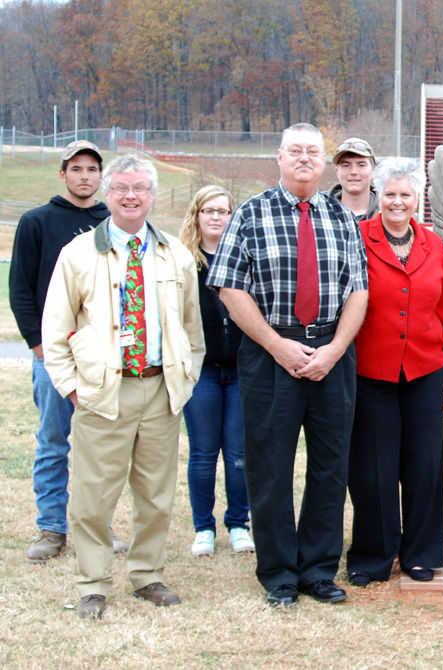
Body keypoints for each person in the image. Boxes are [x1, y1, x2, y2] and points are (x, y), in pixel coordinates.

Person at [207, 123, 369, 607]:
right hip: (269, 352)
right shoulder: (250, 214)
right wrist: (277, 345)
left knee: (330, 467)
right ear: (279, 157)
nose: (304, 158)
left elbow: (359, 291)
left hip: (330, 353)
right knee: (270, 466)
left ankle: (318, 570)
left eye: (312, 152)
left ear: (323, 163)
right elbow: (230, 288)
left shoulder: (342, 218)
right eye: (295, 150)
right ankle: (278, 573)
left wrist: (336, 349)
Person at [42, 154, 205, 619]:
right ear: (108, 194)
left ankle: (146, 573)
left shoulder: (175, 253)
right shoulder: (77, 255)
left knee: (155, 493)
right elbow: (56, 331)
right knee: (93, 494)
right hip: (103, 392)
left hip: (159, 391)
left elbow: (193, 331)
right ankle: (92, 581)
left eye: (140, 188)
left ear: (153, 195)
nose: (131, 195)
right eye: (121, 187)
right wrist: (74, 388)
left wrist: (185, 380)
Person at [344, 159, 443, 586]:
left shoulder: (434, 244)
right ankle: (372, 556)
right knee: (373, 468)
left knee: (424, 464)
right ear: (379, 196)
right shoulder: (357, 238)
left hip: (426, 368)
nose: (398, 202)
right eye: (390, 194)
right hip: (371, 369)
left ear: (417, 199)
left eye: (406, 195)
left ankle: (420, 553)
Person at [9, 140, 125, 562]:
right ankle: (51, 528)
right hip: (55, 356)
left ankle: (98, 526)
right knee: (54, 442)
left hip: (103, 357)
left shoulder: (111, 223)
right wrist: (41, 348)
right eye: (76, 169)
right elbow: (21, 289)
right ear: (63, 174)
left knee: (102, 446)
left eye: (92, 169)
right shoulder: (37, 221)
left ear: (101, 176)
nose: (84, 176)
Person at [178, 186, 254, 556]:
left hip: (241, 370)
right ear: (196, 216)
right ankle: (203, 528)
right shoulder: (182, 262)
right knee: (204, 453)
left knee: (239, 453)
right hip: (203, 372)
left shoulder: (244, 257)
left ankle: (239, 523)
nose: (215, 218)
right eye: (208, 211)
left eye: (223, 211)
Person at [326, 137, 378, 221]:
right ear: (337, 171)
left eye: (361, 165)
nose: (353, 172)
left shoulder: (387, 212)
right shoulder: (319, 209)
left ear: (373, 171)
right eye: (346, 165)